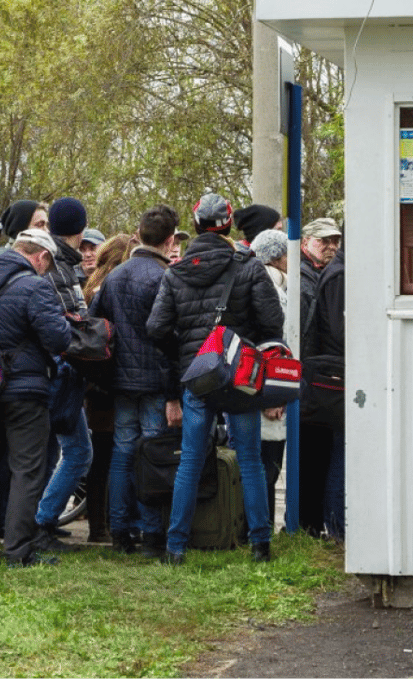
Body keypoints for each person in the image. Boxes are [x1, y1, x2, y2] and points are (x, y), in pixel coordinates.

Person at [147, 193, 285, 565]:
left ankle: (176, 548)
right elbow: (273, 322)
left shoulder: (175, 272)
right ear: (228, 225)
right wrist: (245, 343)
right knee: (251, 459)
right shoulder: (248, 266)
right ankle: (260, 545)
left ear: (193, 226)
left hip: (198, 376)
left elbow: (156, 327)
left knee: (190, 460)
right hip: (239, 377)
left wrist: (187, 353)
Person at [0, 228, 75, 567]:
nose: (46, 271)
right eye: (47, 265)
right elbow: (57, 338)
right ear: (41, 256)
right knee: (27, 469)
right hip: (24, 390)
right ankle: (18, 551)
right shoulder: (35, 286)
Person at [91, 207, 181, 559]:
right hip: (155, 383)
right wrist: (174, 394)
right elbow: (170, 341)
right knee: (151, 456)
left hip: (121, 382)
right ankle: (151, 533)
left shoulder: (114, 277)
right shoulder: (164, 278)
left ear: (138, 234)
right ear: (170, 240)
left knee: (123, 453)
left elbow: (96, 327)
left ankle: (120, 532)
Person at [31, 198, 95, 551]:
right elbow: (63, 322)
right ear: (79, 229)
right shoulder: (57, 266)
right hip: (60, 371)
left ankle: (43, 518)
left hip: (59, 370)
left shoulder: (62, 263)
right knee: (78, 453)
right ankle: (41, 520)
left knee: (62, 452)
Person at [80, 232, 134, 544]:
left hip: (94, 383)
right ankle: (106, 526)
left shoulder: (91, 289)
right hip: (110, 382)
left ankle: (98, 525)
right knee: (111, 457)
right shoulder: (110, 289)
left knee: (101, 457)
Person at [297, 217, 342, 536]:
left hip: (319, 376)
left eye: (334, 241)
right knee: (312, 454)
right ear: (304, 243)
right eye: (322, 241)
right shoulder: (304, 279)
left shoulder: (318, 275)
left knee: (321, 452)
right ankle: (307, 524)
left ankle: (313, 524)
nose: (329, 246)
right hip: (311, 377)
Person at [248, 228, 290, 527]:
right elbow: (272, 342)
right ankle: (259, 529)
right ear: (277, 257)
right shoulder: (272, 290)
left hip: (258, 387)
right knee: (266, 465)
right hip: (268, 391)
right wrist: (272, 395)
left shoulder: (260, 282)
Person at [310, 245, 346, 540]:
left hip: (339, 371)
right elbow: (340, 329)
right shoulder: (340, 276)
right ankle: (336, 526)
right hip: (338, 375)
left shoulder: (337, 271)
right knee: (342, 449)